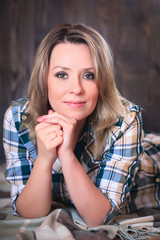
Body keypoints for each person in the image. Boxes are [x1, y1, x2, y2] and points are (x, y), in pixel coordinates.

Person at [3, 23, 144, 227]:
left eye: (89, 75)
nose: (76, 89)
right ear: (45, 79)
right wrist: (44, 160)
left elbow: (98, 218)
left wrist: (67, 155)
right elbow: (31, 213)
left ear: (102, 81)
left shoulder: (125, 120)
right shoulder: (18, 118)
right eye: (62, 74)